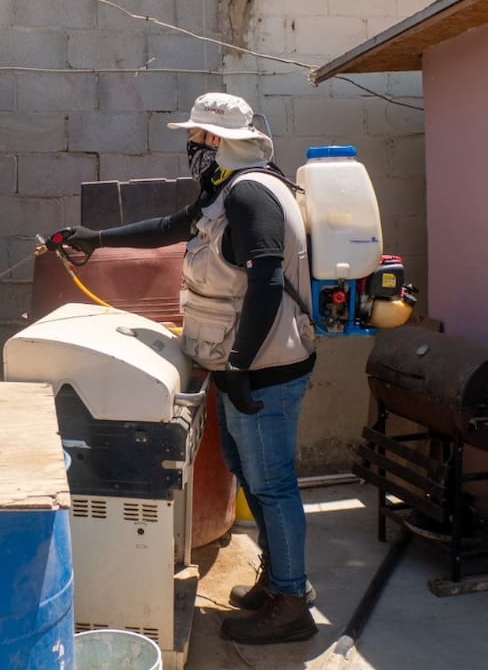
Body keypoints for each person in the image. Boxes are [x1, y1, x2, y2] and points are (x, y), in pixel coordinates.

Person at [47, 92, 318, 645]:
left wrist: (239, 366)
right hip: (247, 365)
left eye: (196, 137)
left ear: (218, 140)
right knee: (255, 478)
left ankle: (291, 603)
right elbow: (174, 226)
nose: (191, 145)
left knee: (274, 486)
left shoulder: (250, 196)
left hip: (265, 369)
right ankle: (280, 584)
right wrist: (97, 241)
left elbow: (266, 282)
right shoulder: (228, 189)